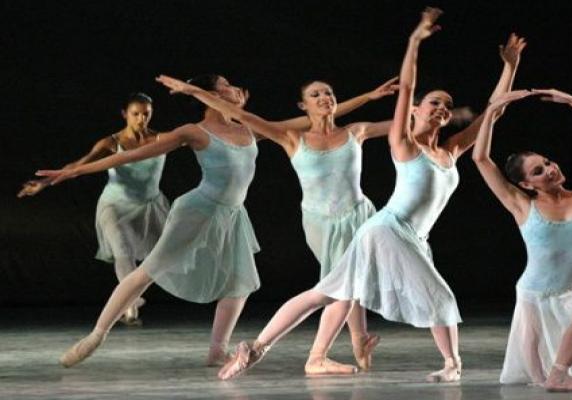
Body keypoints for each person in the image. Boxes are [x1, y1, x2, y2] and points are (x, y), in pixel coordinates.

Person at [215, 8, 525, 382]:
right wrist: (414, 41)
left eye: (446, 104)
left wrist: (510, 67)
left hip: (403, 235)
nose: (442, 108)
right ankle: (452, 365)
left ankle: (257, 348)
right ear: (414, 111)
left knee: (327, 294)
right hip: (386, 230)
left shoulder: (452, 151)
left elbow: (494, 113)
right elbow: (408, 86)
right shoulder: (404, 143)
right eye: (434, 103)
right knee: (438, 297)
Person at [37, 74, 377, 368]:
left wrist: (370, 97)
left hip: (233, 214)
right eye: (226, 86)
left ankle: (217, 351)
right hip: (199, 209)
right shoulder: (195, 131)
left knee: (239, 284)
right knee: (148, 270)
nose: (235, 88)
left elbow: (317, 118)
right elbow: (132, 154)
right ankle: (98, 334)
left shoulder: (249, 130)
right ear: (213, 96)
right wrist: (74, 170)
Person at [155, 73, 399, 374]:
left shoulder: (356, 131)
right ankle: (289, 352)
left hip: (359, 214)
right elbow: (239, 114)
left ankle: (353, 340)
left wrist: (438, 113)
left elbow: (401, 126)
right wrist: (192, 90)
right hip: (321, 221)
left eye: (329, 92)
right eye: (316, 94)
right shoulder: (291, 136)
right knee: (339, 287)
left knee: (347, 284)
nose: (325, 97)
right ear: (303, 105)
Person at [472, 88, 572, 392]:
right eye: (538, 170)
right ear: (525, 183)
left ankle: (561, 374)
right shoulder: (522, 205)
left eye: (547, 161)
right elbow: (480, 158)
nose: (550, 168)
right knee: (536, 377)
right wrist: (492, 112)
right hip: (535, 297)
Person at [19, 92, 167, 326]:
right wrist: (44, 183)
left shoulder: (163, 139)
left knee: (162, 258)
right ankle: (130, 304)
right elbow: (77, 165)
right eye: (135, 114)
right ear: (124, 115)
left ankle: (129, 296)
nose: (141, 119)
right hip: (114, 206)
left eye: (146, 114)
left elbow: (197, 139)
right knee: (122, 251)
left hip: (149, 206)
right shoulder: (111, 143)